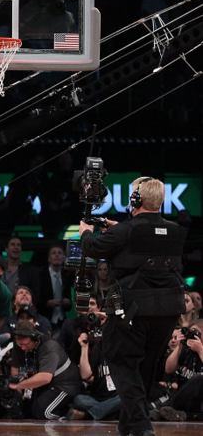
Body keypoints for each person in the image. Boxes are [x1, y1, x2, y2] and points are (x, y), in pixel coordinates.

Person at [80, 176, 187, 436]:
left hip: (132, 310)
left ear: (134, 200)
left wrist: (84, 230)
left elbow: (92, 247)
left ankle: (141, 428)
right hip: (168, 310)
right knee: (146, 366)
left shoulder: (125, 231)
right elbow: (146, 240)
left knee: (122, 363)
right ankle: (127, 426)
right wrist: (122, 230)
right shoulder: (175, 230)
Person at [9, 320, 82, 420]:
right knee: (24, 410)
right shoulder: (19, 345)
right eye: (19, 344)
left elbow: (45, 378)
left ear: (34, 339)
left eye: (25, 344)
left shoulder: (49, 347)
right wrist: (18, 395)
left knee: (42, 412)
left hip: (65, 383)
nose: (22, 348)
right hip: (44, 385)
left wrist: (18, 385)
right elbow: (16, 369)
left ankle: (72, 415)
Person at [68, 303, 121, 421]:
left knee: (126, 398)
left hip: (118, 395)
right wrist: (84, 347)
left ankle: (89, 415)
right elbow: (86, 375)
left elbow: (125, 328)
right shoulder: (97, 349)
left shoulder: (120, 344)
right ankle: (108, 412)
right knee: (79, 400)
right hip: (99, 398)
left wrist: (110, 318)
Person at [37, 244, 73, 331]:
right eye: (54, 253)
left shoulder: (66, 276)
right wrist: (47, 303)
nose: (57, 255)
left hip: (62, 319)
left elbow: (69, 302)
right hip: (45, 319)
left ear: (63, 258)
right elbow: (36, 298)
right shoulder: (40, 275)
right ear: (49, 258)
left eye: (59, 253)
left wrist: (68, 302)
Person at [0, 236, 41, 303]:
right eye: (13, 245)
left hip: (22, 310)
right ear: (6, 249)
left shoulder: (30, 271)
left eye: (18, 245)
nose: (16, 247)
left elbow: (35, 295)